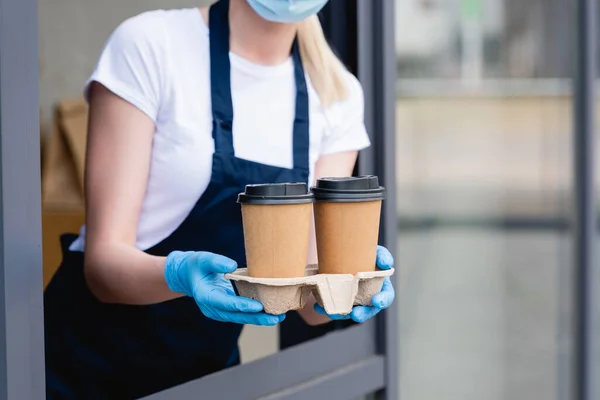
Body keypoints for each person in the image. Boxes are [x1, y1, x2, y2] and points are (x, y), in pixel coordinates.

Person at [43, 0, 396, 398]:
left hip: (207, 379)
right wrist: (181, 275)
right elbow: (102, 268)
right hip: (81, 370)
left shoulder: (336, 94)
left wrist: (352, 284)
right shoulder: (151, 45)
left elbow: (308, 305)